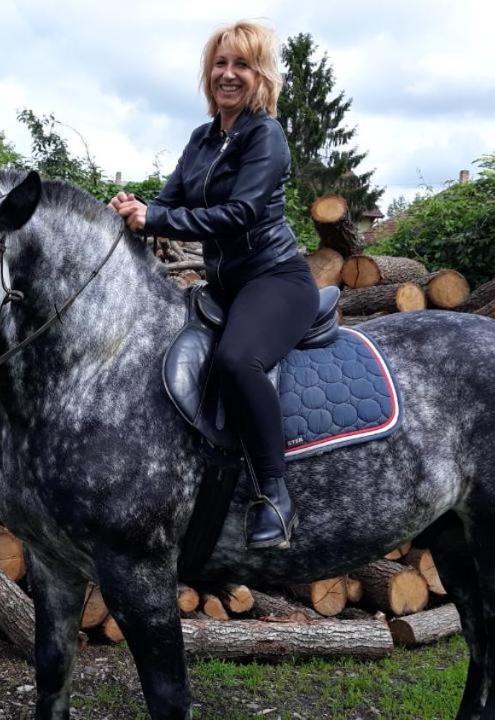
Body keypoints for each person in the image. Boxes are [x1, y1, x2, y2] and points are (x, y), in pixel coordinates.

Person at [109, 20, 319, 550]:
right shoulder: (202, 140)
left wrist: (156, 219)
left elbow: (242, 212)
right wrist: (136, 209)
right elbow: (170, 199)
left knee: (235, 360)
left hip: (275, 280)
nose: (228, 74)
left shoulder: (264, 135)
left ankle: (275, 493)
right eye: (220, 64)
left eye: (241, 65)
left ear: (260, 76)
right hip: (224, 287)